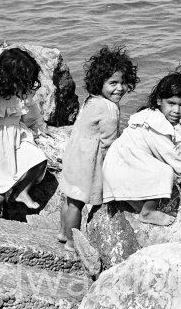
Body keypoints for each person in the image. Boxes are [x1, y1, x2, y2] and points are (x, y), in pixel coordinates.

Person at [58, 45, 139, 250]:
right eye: (113, 83)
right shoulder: (109, 108)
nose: (119, 88)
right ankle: (72, 241)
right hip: (87, 160)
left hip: (74, 153)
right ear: (99, 82)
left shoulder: (92, 100)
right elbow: (109, 143)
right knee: (78, 202)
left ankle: (63, 232)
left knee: (69, 196)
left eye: (123, 83)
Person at [102, 67, 181, 226]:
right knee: (164, 172)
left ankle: (136, 202)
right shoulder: (157, 124)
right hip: (123, 167)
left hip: (118, 164)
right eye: (171, 103)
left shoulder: (149, 115)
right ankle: (147, 212)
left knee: (156, 169)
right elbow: (170, 154)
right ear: (159, 100)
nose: (176, 110)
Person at [0, 48, 48, 211]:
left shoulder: (23, 93)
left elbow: (34, 115)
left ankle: (22, 191)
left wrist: (40, 129)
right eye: (24, 79)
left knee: (38, 159)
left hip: (17, 136)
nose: (27, 83)